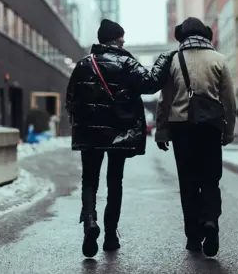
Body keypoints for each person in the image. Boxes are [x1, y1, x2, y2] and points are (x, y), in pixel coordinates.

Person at [66, 19, 175, 258]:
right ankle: (111, 236)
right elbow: (151, 83)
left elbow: (71, 99)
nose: (124, 41)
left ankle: (90, 223)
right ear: (115, 39)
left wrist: (82, 121)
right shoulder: (126, 62)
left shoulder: (84, 64)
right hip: (119, 132)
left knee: (90, 180)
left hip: (90, 132)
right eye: (121, 37)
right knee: (115, 181)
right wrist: (164, 59)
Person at [154, 17, 236, 257]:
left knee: (188, 182)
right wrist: (228, 130)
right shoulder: (219, 60)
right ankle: (210, 221)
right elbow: (229, 101)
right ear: (205, 35)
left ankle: (192, 237)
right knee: (210, 179)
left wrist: (161, 131)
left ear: (183, 37)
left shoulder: (174, 62)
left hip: (181, 128)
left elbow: (164, 100)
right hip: (210, 127)